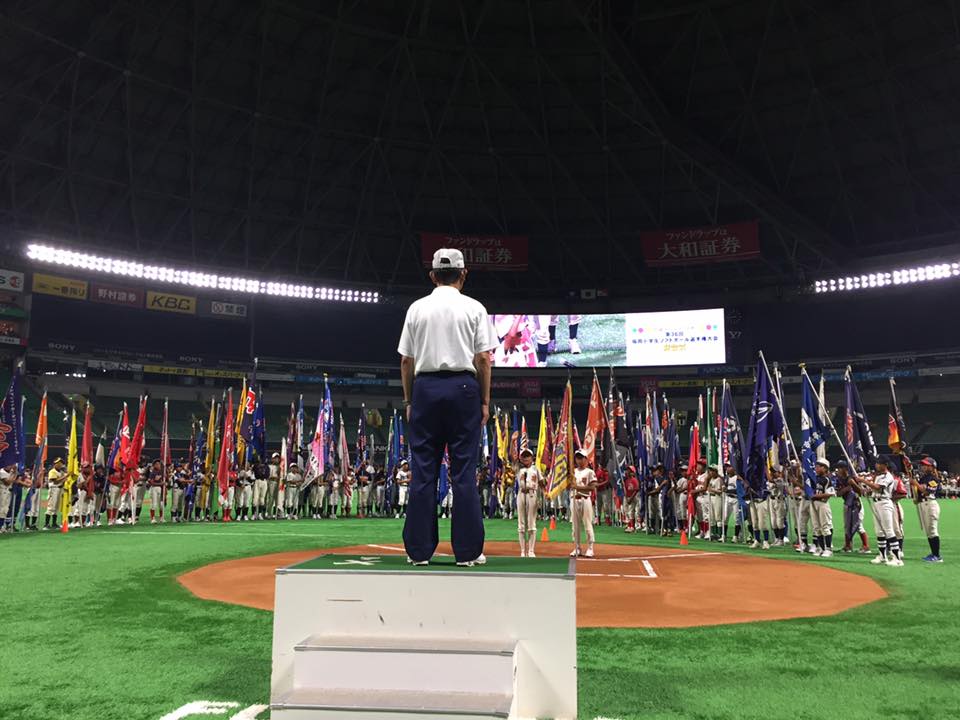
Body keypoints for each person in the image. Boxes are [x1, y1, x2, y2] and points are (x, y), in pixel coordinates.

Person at [398, 248, 495, 566]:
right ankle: (467, 552)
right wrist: (484, 401)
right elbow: (483, 359)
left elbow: (406, 360)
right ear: (463, 274)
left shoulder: (417, 308)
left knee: (423, 472)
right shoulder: (474, 307)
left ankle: (418, 552)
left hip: (425, 388)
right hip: (463, 389)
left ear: (432, 276)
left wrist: (410, 400)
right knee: (463, 473)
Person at [855, 456, 903, 566]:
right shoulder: (879, 476)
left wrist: (863, 480)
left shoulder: (888, 476)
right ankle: (882, 556)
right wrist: (866, 491)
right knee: (879, 531)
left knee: (889, 530)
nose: (877, 465)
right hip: (876, 502)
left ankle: (897, 558)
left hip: (885, 503)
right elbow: (874, 489)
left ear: (885, 465)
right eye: (877, 463)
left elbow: (878, 487)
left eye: (879, 463)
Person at [835, 461, 870, 554]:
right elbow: (838, 494)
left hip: (856, 504)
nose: (838, 470)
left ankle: (866, 546)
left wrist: (854, 484)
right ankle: (848, 546)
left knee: (858, 525)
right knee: (847, 526)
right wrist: (847, 488)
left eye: (840, 468)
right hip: (847, 504)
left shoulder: (853, 478)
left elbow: (861, 492)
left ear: (845, 469)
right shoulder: (839, 480)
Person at [912, 457, 943, 563]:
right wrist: (917, 499)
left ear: (932, 467)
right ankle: (933, 553)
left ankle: (937, 556)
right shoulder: (924, 478)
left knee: (932, 530)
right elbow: (920, 492)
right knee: (928, 532)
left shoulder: (934, 479)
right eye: (923, 465)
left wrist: (915, 483)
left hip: (930, 504)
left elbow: (927, 491)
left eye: (926, 465)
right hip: (924, 504)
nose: (923, 466)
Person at [570, 449, 597, 557]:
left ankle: (590, 548)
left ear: (586, 459)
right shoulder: (573, 472)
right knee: (575, 525)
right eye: (577, 458)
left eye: (581, 458)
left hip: (585, 499)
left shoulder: (590, 472)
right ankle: (577, 547)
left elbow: (592, 487)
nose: (579, 460)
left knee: (587, 524)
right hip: (574, 499)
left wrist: (577, 487)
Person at [515, 448, 542, 557]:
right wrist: (512, 442)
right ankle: (522, 551)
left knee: (531, 523)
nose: (525, 458)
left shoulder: (536, 469)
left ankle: (531, 550)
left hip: (532, 494)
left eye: (528, 456)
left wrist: (543, 495)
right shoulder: (519, 469)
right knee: (521, 524)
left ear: (532, 457)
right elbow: (512, 457)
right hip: (521, 494)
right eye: (523, 456)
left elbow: (542, 482)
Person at [810, 459, 836, 557]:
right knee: (816, 527)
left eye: (819, 466)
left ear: (824, 468)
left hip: (823, 503)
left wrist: (815, 496)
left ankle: (828, 549)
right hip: (813, 503)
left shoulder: (827, 479)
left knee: (825, 526)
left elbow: (830, 493)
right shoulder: (814, 478)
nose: (816, 468)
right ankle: (821, 548)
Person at [42, 457, 65, 531]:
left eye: (61, 463)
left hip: (59, 489)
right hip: (53, 489)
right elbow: (55, 481)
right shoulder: (52, 471)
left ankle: (54, 523)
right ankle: (46, 524)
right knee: (51, 506)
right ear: (55, 464)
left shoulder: (61, 472)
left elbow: (63, 481)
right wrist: (65, 476)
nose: (60, 464)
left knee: (56, 507)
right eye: (58, 463)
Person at [622, 465, 640, 533]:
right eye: (626, 470)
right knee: (626, 511)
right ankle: (629, 525)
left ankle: (632, 527)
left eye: (628, 470)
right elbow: (625, 489)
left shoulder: (634, 480)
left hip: (633, 497)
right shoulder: (625, 480)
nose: (627, 472)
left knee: (631, 512)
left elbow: (636, 489)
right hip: (627, 497)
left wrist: (631, 498)